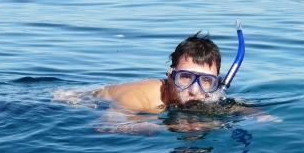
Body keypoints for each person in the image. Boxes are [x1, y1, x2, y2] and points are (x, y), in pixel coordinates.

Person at [92, 32, 225, 113]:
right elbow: (106, 125)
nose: (195, 91)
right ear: (170, 77)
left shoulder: (206, 96)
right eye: (185, 77)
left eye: (206, 80)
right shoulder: (142, 95)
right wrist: (164, 125)